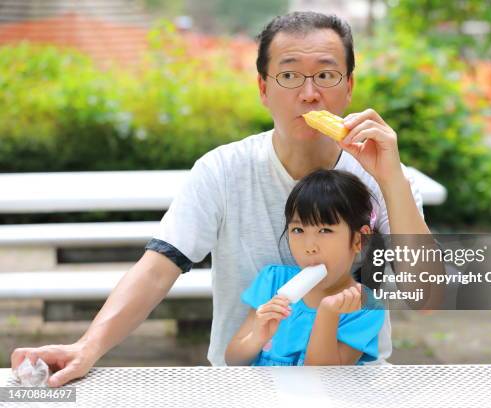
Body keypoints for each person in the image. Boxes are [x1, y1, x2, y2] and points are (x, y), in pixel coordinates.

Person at [11, 11, 431, 386]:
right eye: (289, 75)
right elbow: (159, 268)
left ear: (349, 87)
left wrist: (391, 178)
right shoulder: (223, 170)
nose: (309, 94)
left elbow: (427, 296)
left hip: (356, 384)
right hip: (240, 385)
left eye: (326, 75)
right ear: (263, 88)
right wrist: (87, 346)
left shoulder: (386, 174)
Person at [225, 169, 385, 366]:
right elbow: (233, 360)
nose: (309, 246)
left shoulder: (363, 305)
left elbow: (321, 378)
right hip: (262, 394)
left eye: (325, 230)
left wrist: (328, 314)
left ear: (359, 239)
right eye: (298, 230)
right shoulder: (273, 281)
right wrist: (256, 338)